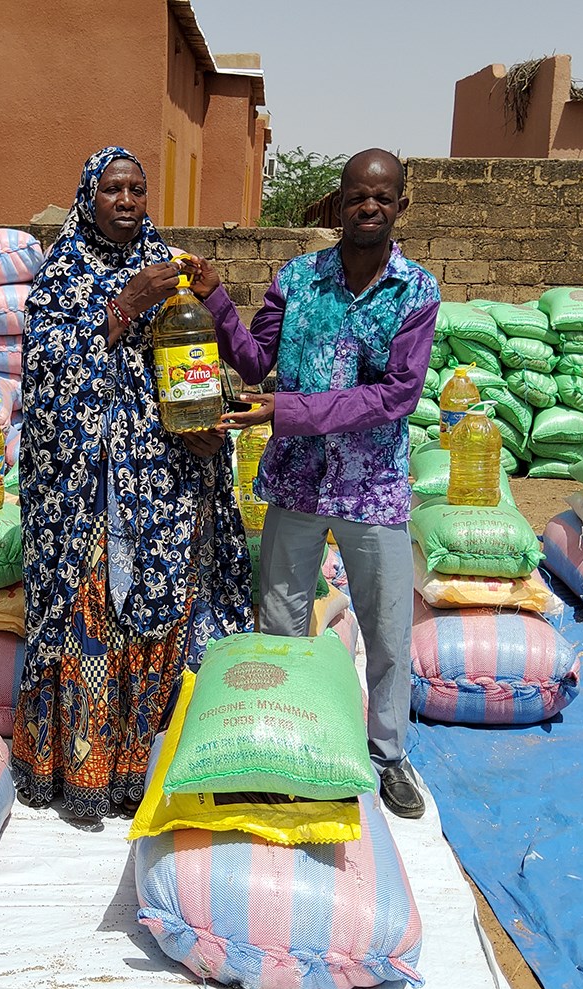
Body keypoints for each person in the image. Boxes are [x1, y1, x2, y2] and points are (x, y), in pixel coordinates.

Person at [190, 148, 439, 819]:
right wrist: (214, 297)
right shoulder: (297, 280)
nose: (368, 208)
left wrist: (288, 410)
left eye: (382, 199)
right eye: (357, 196)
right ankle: (287, 743)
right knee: (281, 625)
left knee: (387, 632)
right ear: (337, 204)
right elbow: (254, 361)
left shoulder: (416, 292)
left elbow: (395, 397)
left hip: (372, 486)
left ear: (399, 207)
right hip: (298, 482)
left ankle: (387, 754)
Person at [14, 146, 252, 821]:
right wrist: (123, 307)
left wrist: (203, 423)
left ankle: (166, 762)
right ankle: (89, 772)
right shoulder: (61, 275)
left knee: (170, 606)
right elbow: (47, 375)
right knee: (97, 616)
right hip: (91, 492)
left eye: (137, 190)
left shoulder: (167, 269)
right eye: (113, 189)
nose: (125, 201)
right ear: (88, 196)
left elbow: (192, 364)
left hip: (167, 483)